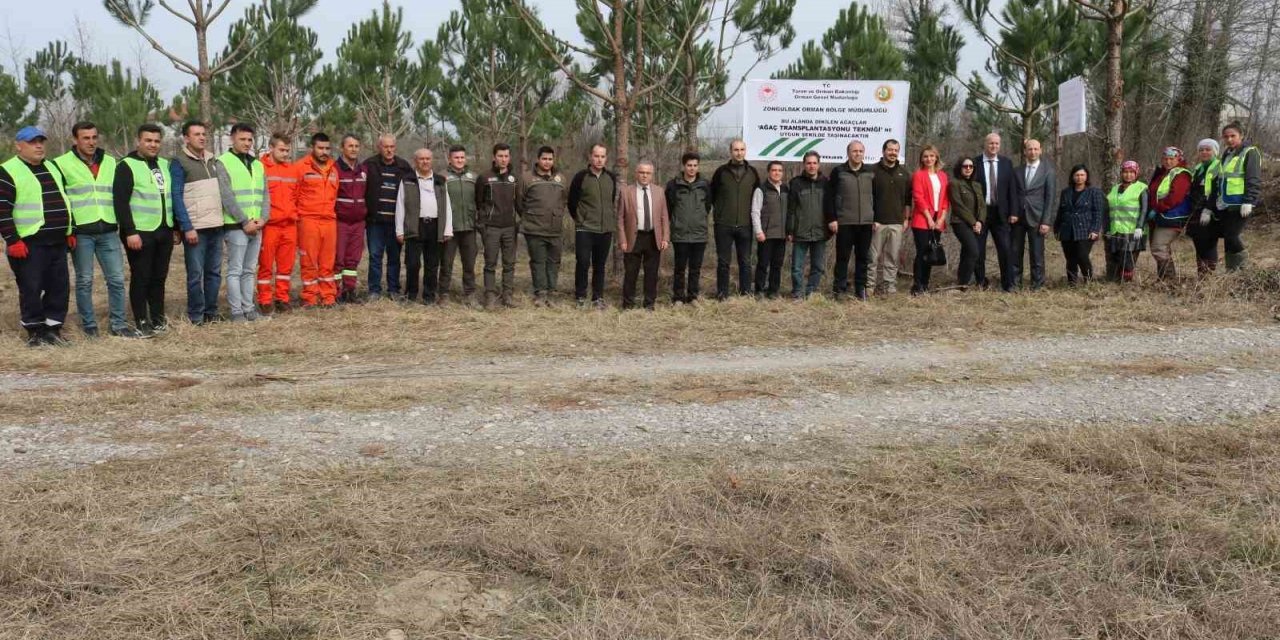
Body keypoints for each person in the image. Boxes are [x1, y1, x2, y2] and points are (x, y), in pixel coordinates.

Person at [54, 121, 139, 338]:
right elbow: (60, 200)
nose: (91, 142)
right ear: (75, 140)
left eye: (94, 137)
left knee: (117, 279)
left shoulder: (111, 162)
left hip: (108, 230)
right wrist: (68, 230)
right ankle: (90, 326)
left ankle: (118, 325)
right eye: (85, 138)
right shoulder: (61, 164)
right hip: (81, 232)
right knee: (84, 280)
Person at [1, 126, 74, 346]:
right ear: (19, 145)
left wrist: (70, 230)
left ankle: (52, 330)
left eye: (41, 141)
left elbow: (65, 199)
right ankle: (35, 332)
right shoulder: (7, 171)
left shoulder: (52, 167)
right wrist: (12, 240)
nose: (39, 146)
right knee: (31, 288)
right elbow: (2, 209)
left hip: (58, 241)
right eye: (33, 142)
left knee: (59, 287)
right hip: (28, 244)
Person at [117, 123, 177, 335]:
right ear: (138, 142)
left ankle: (158, 318)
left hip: (164, 228)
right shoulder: (127, 165)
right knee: (141, 276)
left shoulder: (165, 164)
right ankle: (141, 320)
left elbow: (171, 197)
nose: (153, 145)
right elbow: (121, 202)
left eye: (157, 141)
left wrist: (175, 226)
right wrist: (130, 231)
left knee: (159, 276)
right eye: (148, 140)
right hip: (139, 232)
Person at [171, 120, 227, 325]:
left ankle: (211, 313)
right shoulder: (179, 162)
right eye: (196, 134)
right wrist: (187, 227)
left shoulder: (213, 160)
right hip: (196, 229)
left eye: (204, 134)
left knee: (214, 273)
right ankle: (196, 315)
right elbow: (176, 196)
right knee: (195, 274)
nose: (202, 137)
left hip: (216, 226)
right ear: (186, 138)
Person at [219, 123, 269, 322]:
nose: (247, 143)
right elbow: (226, 195)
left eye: (250, 140)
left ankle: (249, 308)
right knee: (235, 270)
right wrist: (243, 221)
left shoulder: (258, 164)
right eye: (242, 139)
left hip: (256, 226)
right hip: (236, 227)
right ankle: (236, 311)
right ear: (232, 139)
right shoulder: (223, 162)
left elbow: (265, 194)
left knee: (249, 270)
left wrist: (263, 218)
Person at [396, 148, 453, 304]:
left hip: (434, 226)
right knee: (413, 263)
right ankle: (411, 295)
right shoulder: (407, 180)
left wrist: (447, 229)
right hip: (415, 225)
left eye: (428, 158)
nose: (425, 161)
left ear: (432, 160)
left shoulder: (441, 181)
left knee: (432, 264)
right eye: (421, 159)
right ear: (415, 161)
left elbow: (446, 206)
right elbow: (400, 206)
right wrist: (399, 230)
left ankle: (429, 296)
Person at [1207, 121, 1262, 271]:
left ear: (1241, 136)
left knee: (1232, 236)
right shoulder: (1227, 154)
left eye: (1233, 136)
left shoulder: (1250, 152)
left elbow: (1253, 178)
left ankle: (1243, 269)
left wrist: (1249, 201)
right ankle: (1232, 271)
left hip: (1241, 204)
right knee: (1227, 238)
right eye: (1226, 136)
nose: (1229, 139)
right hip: (1226, 204)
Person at [568, 144, 617, 309]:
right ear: (590, 157)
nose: (599, 159)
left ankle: (597, 298)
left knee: (600, 265)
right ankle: (581, 297)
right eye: (596, 156)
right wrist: (581, 219)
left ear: (606, 158)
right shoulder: (580, 177)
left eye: (602, 156)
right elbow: (571, 203)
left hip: (605, 229)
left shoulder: (611, 177)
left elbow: (610, 201)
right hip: (585, 229)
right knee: (582, 262)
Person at [710, 139, 760, 299]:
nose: (739, 153)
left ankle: (745, 293)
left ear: (745, 151)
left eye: (742, 149)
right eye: (736, 150)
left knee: (745, 261)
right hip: (724, 225)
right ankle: (722, 293)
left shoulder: (753, 172)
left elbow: (757, 197)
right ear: (730, 152)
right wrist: (719, 215)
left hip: (745, 225)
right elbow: (712, 195)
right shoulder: (721, 172)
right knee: (723, 262)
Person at [616, 160, 669, 310]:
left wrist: (665, 237)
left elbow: (664, 216)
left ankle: (649, 304)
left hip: (653, 237)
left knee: (651, 273)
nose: (644, 175)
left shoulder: (659, 191)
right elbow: (620, 218)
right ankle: (628, 304)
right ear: (636, 173)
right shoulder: (626, 191)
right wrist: (622, 239)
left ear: (651, 175)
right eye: (641, 172)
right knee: (631, 273)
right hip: (633, 238)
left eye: (647, 173)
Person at [826, 140, 876, 300]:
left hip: (866, 223)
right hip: (845, 222)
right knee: (843, 258)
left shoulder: (870, 172)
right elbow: (829, 197)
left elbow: (876, 197)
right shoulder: (838, 171)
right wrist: (832, 218)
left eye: (861, 151)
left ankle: (860, 290)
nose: (858, 154)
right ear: (848, 153)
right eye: (854, 151)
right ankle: (839, 290)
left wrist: (876, 218)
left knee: (862, 258)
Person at [364, 134, 412, 299]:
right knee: (375, 257)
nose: (389, 150)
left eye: (392, 147)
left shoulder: (404, 167)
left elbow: (413, 190)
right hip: (375, 222)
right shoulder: (369, 165)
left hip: (396, 222)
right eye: (386, 147)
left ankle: (393, 289)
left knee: (394, 258)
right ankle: (374, 290)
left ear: (395, 148)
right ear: (379, 147)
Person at [476, 142, 523, 309]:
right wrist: (482, 225)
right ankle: (489, 295)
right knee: (490, 262)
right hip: (492, 227)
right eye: (500, 156)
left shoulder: (514, 178)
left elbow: (519, 203)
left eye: (506, 156)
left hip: (510, 227)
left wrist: (522, 221)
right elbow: (479, 202)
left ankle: (507, 295)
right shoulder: (485, 177)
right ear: (494, 157)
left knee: (509, 263)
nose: (503, 159)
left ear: (509, 157)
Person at [256, 132, 299, 314]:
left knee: (285, 267)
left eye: (287, 150)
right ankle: (265, 300)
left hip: (289, 225)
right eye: (281, 150)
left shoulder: (292, 170)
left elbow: (296, 195)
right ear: (271, 148)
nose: (285, 154)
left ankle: (282, 298)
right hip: (269, 226)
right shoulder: (260, 168)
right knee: (265, 265)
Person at [295, 132, 339, 307]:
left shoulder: (334, 169)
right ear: (312, 148)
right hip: (308, 220)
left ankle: (328, 297)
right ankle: (310, 297)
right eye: (320, 148)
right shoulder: (300, 168)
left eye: (327, 148)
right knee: (309, 261)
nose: (324, 151)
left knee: (328, 262)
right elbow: (294, 194)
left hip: (329, 220)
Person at [521, 146, 568, 306]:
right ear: (538, 159)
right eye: (544, 159)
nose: (547, 162)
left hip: (555, 230)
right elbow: (519, 202)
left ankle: (552, 292)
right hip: (534, 229)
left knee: (554, 262)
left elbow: (564, 201)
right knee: (538, 261)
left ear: (553, 160)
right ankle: (540, 293)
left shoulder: (561, 179)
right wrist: (531, 217)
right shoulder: (527, 178)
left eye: (550, 159)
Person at [665, 151, 711, 304]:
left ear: (698, 167)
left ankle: (693, 297)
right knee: (679, 268)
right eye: (689, 165)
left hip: (699, 234)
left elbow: (707, 206)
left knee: (695, 269)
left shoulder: (705, 185)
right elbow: (669, 208)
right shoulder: (673, 185)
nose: (692, 168)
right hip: (680, 234)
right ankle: (678, 297)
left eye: (695, 165)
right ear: (683, 166)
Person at [973, 133, 1017, 292]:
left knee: (1005, 249)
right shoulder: (975, 163)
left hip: (1001, 214)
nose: (994, 146)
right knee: (979, 251)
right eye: (991, 143)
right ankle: (980, 283)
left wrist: (1013, 211)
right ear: (985, 144)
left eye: (997, 144)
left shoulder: (1006, 163)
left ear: (1000, 145)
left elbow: (1012, 189)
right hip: (981, 214)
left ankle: (1008, 285)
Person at [1011, 139, 1056, 290]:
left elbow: (1050, 197)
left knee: (1037, 254)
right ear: (1025, 151)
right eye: (1030, 149)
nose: (1033, 152)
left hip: (1037, 218)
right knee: (1015, 253)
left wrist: (1046, 221)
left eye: (1036, 149)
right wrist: (1013, 213)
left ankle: (1037, 285)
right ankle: (1015, 284)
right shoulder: (1017, 170)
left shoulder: (1048, 171)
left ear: (1041, 150)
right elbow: (1013, 194)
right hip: (1018, 217)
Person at [869, 139, 911, 295]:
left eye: (895, 150)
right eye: (890, 149)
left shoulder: (904, 173)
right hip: (877, 223)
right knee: (872, 258)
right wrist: (871, 219)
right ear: (883, 151)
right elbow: (868, 198)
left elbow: (908, 199)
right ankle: (869, 287)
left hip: (897, 223)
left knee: (892, 258)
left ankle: (889, 287)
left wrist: (906, 219)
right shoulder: (872, 171)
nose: (893, 153)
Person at [787, 151, 829, 299]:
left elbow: (830, 208)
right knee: (797, 267)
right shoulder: (796, 183)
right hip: (800, 231)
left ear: (819, 164)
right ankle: (797, 292)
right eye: (809, 163)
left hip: (820, 232)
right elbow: (791, 209)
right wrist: (790, 230)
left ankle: (811, 292)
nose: (812, 166)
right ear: (804, 165)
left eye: (814, 163)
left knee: (817, 266)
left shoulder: (826, 183)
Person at [440, 145, 479, 305]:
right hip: (449, 228)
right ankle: (443, 294)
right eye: (456, 157)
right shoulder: (442, 177)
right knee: (446, 263)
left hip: (469, 227)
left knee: (469, 264)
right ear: (450, 159)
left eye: (462, 157)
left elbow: (480, 200)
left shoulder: (474, 177)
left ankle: (469, 294)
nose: (460, 160)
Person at [1146, 146, 1192, 280]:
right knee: (1160, 248)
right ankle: (1163, 279)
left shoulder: (1181, 174)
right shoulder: (1162, 174)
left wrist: (1158, 208)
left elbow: (1175, 197)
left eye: (1172, 159)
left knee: (1159, 247)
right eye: (1165, 159)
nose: (1168, 161)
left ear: (1179, 159)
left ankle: (1170, 280)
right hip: (1158, 217)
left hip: (1171, 216)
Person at [1053, 164, 1104, 284]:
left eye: (1082, 175)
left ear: (1086, 177)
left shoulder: (1094, 192)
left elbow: (1098, 212)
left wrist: (1095, 230)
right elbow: (1061, 210)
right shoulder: (1066, 192)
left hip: (1085, 230)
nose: (1079, 177)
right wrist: (1057, 228)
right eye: (1077, 175)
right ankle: (1072, 282)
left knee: (1082, 256)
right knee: (1070, 258)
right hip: (1067, 229)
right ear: (1072, 176)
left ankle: (1089, 281)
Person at [909, 145, 949, 295]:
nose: (929, 159)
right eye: (925, 156)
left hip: (938, 219)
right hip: (922, 218)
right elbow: (918, 198)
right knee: (922, 252)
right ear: (921, 159)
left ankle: (925, 284)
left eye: (931, 156)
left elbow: (945, 199)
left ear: (936, 157)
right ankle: (917, 286)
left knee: (932, 252)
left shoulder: (943, 176)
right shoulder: (918, 175)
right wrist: (928, 218)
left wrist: (941, 218)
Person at [335, 134, 369, 303]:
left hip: (358, 222)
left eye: (356, 146)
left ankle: (350, 290)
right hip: (340, 221)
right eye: (350, 146)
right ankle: (335, 292)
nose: (354, 149)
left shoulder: (363, 170)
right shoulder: (335, 169)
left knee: (352, 260)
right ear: (342, 147)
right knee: (338, 259)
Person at [1103, 160, 1148, 283]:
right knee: (1113, 258)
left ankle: (1126, 284)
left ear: (1136, 173)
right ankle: (1112, 282)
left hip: (1132, 231)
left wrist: (1140, 226)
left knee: (1126, 260)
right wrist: (1106, 228)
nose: (1128, 175)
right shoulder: (1115, 188)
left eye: (1131, 172)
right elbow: (1107, 210)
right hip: (1115, 230)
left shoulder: (1141, 188)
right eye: (1125, 172)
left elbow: (1144, 209)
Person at [751, 161, 788, 299]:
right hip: (765, 234)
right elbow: (755, 211)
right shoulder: (761, 189)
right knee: (763, 264)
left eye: (779, 170)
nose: (777, 173)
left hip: (781, 234)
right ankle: (759, 290)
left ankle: (773, 291)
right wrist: (758, 231)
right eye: (774, 170)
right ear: (768, 172)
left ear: (782, 173)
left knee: (777, 265)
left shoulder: (785, 189)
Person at [947, 156, 984, 288]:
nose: (968, 169)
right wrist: (973, 222)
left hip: (976, 224)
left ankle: (961, 282)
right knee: (973, 251)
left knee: (967, 252)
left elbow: (982, 206)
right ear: (960, 168)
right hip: (960, 223)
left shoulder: (977, 185)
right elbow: (958, 206)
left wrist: (980, 221)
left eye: (971, 166)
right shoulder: (954, 184)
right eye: (965, 166)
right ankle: (964, 283)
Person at [1186, 139, 1222, 275]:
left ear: (1215, 151)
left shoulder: (1218, 166)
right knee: (1199, 244)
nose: (1204, 152)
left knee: (1209, 245)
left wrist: (1208, 209)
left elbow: (1217, 191)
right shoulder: (1198, 168)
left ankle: (1209, 278)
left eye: (1208, 149)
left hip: (1210, 213)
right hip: (1195, 212)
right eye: (1201, 150)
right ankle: (1201, 275)